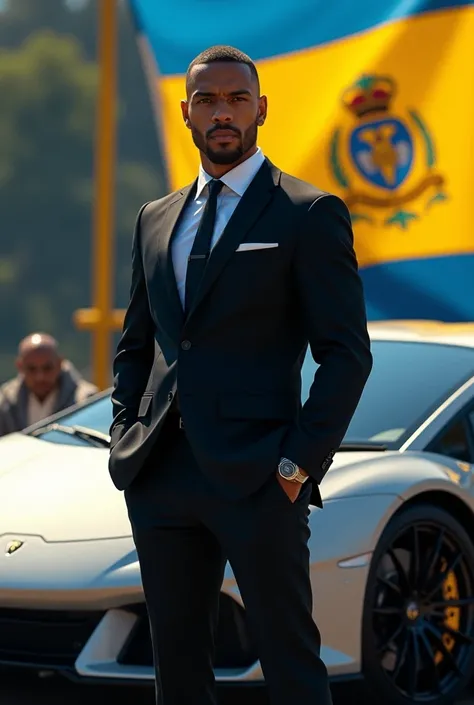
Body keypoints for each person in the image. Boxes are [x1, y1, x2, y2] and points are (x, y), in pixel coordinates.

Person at [109, 45, 373, 705]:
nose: (221, 112)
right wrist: (125, 434)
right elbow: (136, 344)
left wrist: (296, 465)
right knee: (177, 670)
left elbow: (346, 353)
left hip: (261, 477)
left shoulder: (307, 213)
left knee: (290, 663)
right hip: (161, 474)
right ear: (185, 112)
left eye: (235, 98)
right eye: (207, 100)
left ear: (261, 108)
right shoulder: (155, 218)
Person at [0, 332, 97, 436]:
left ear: (60, 364)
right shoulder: (4, 403)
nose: (40, 376)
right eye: (32, 369)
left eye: (47, 368)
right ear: (20, 366)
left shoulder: (87, 401)